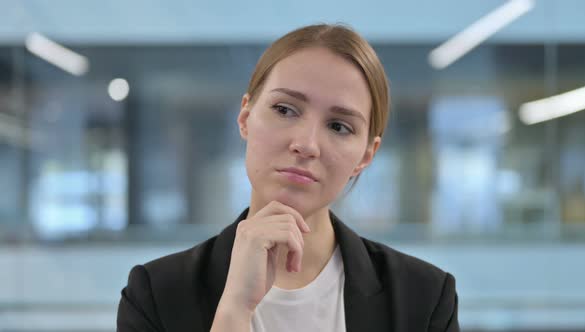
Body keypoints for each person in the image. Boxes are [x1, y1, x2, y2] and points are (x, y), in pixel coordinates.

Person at [117, 23, 460, 332]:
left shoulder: (424, 299)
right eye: (284, 110)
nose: (306, 144)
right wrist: (234, 309)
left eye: (339, 126)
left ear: (366, 155)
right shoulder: (156, 295)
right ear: (246, 116)